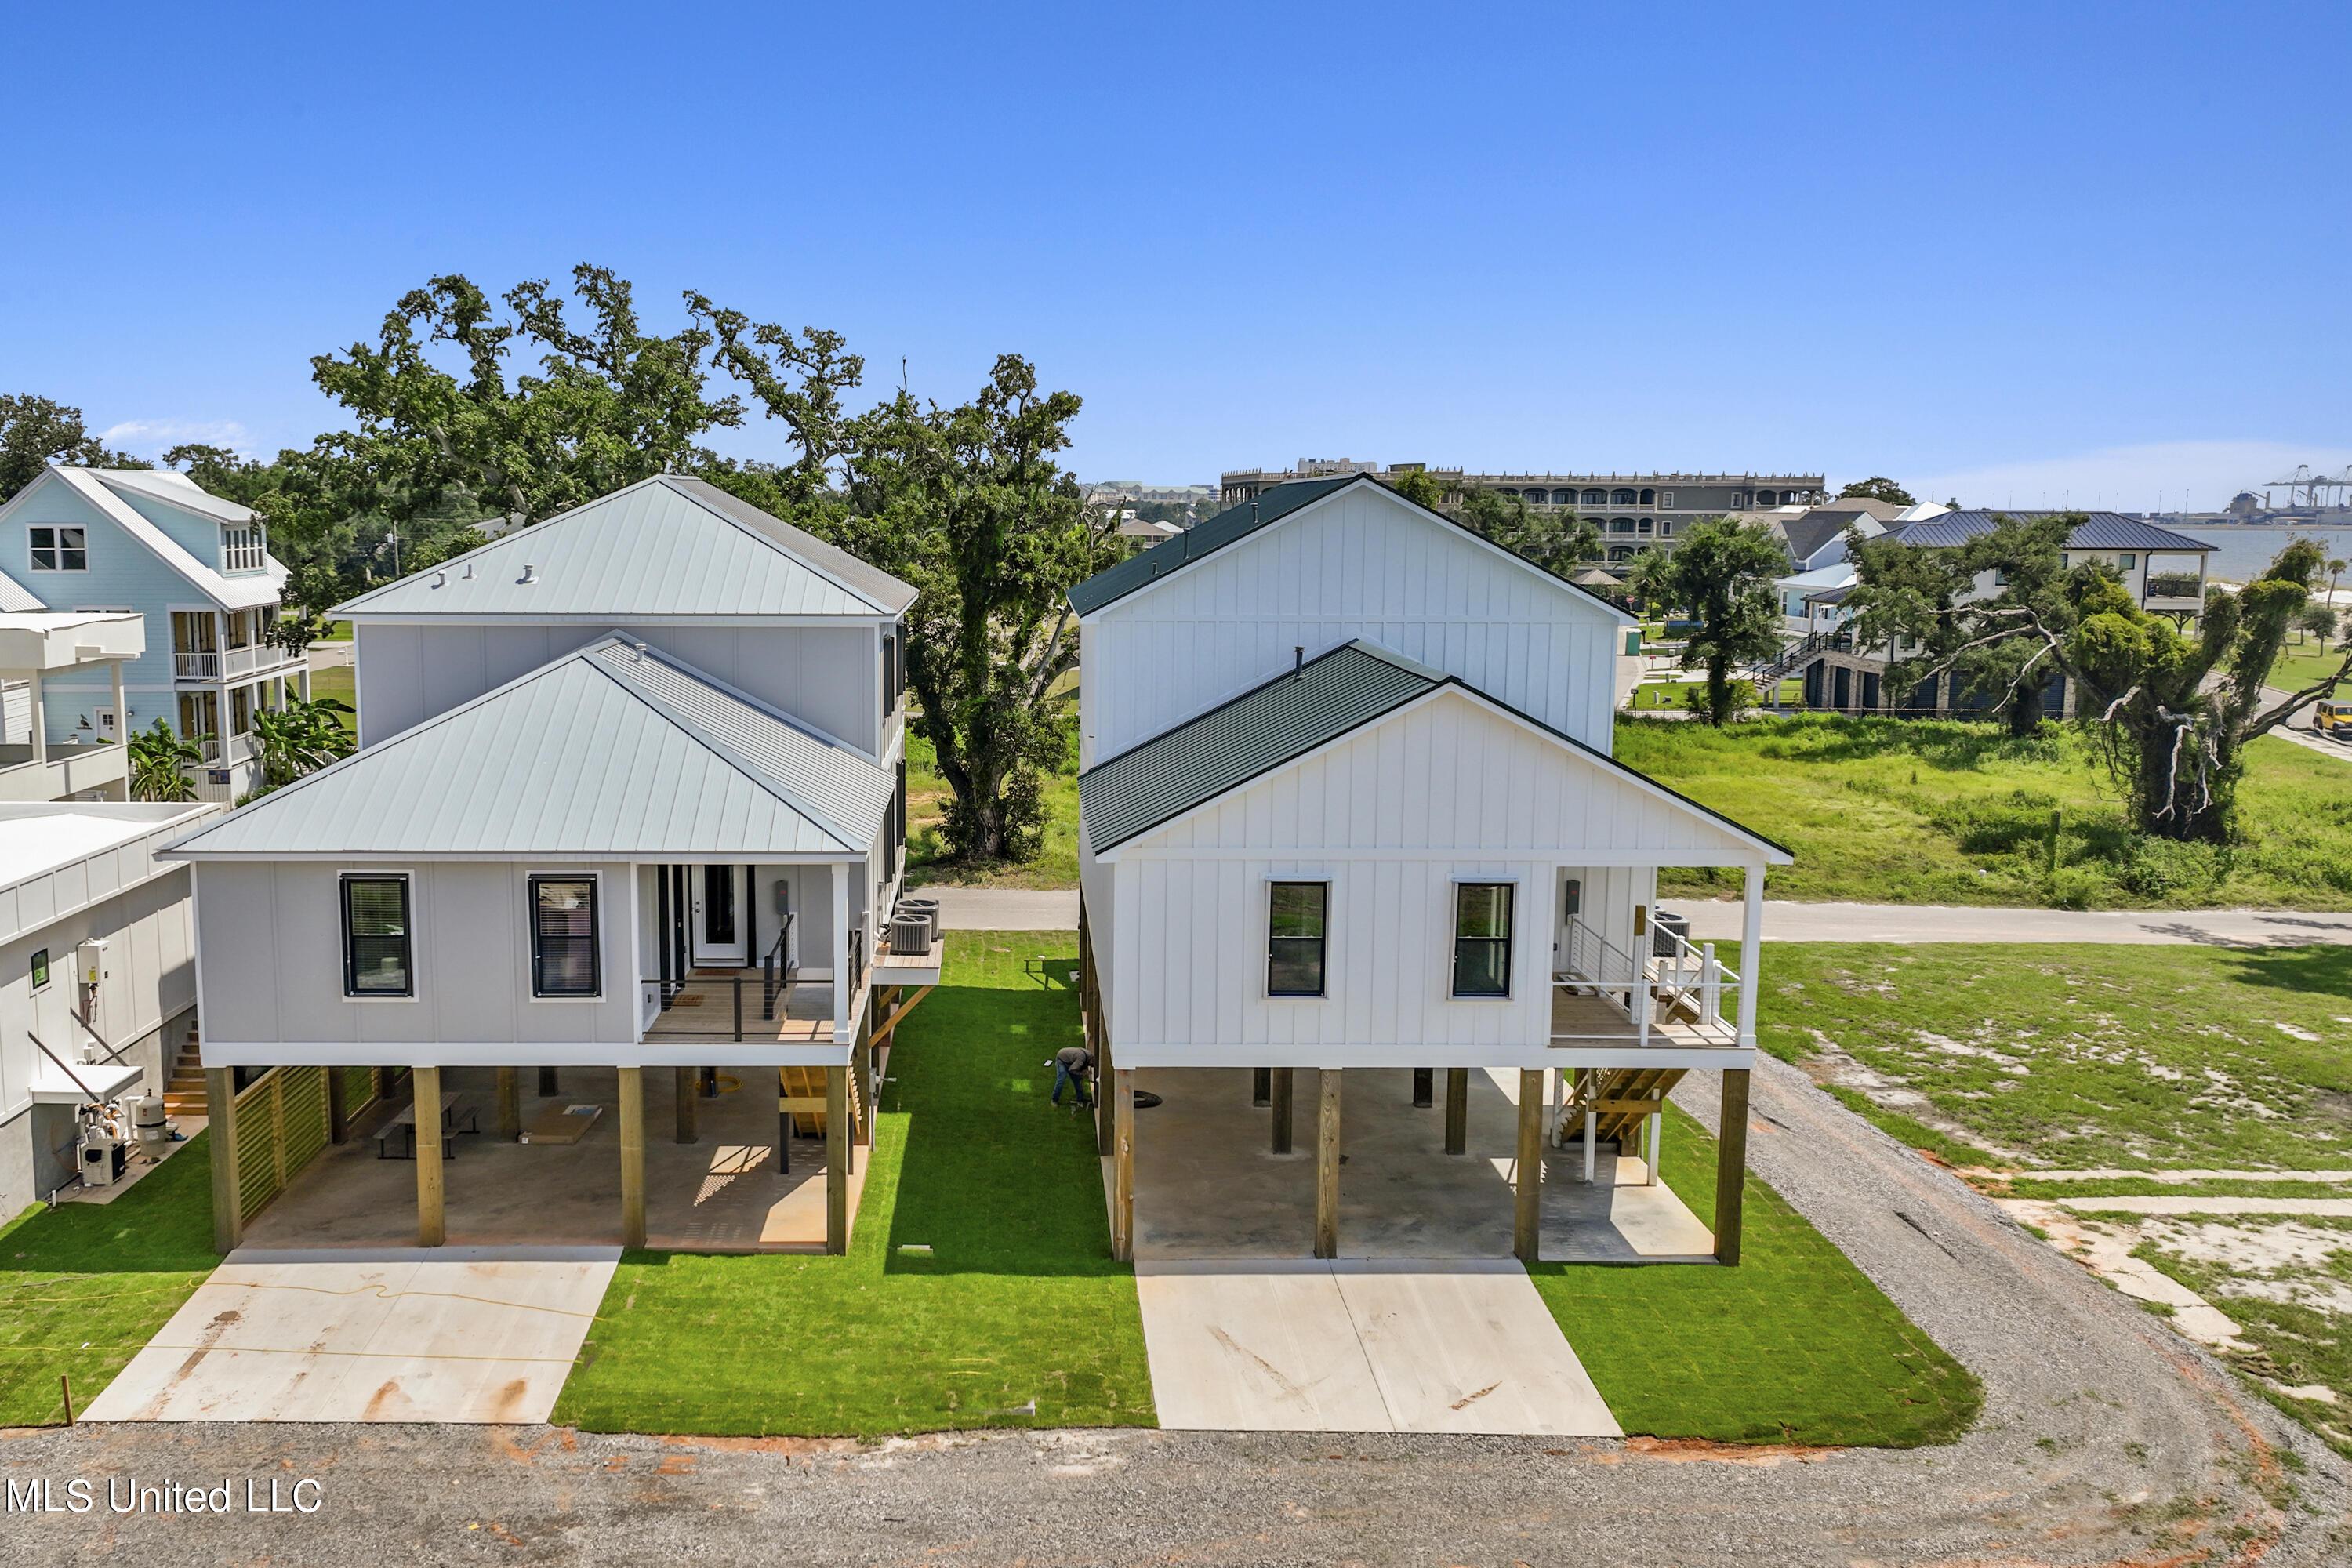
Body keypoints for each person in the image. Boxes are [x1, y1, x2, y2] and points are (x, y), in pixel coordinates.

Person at [1048, 1044, 1095, 1109]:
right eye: (1091, 1064)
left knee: (1078, 1081)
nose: (1091, 1066)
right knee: (1061, 1080)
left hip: (1072, 1061)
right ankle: (1054, 1100)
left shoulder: (1089, 1055)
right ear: (1091, 1060)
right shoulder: (1082, 1058)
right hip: (1062, 1060)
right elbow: (1072, 1070)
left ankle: (1080, 1099)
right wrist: (1083, 1074)